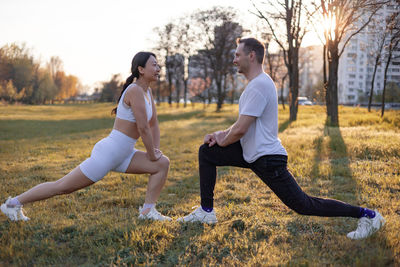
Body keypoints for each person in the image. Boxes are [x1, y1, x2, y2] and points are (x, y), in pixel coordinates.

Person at [178, 38, 385, 240]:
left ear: (251, 56)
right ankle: (206, 211)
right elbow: (243, 124)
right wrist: (218, 136)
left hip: (268, 158)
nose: (234, 60)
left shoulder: (259, 85)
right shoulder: (256, 84)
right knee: (207, 152)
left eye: (237, 55)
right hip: (252, 152)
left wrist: (223, 140)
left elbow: (240, 129)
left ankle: (368, 215)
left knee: (304, 205)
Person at [1, 52, 172, 222]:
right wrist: (151, 154)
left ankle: (148, 212)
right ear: (141, 69)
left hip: (125, 154)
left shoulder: (147, 92)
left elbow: (153, 124)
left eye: (158, 65)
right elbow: (142, 127)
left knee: (162, 163)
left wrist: (155, 151)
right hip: (109, 153)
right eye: (154, 65)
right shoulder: (134, 90)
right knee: (62, 187)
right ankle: (12, 204)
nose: (158, 68)